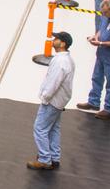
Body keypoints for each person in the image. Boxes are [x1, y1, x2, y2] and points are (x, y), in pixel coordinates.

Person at [27, 32, 75, 170]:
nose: (53, 40)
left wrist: (45, 97)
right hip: (60, 100)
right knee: (54, 129)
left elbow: (53, 82)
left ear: (63, 43)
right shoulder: (68, 59)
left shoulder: (60, 61)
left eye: (57, 39)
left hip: (53, 101)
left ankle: (44, 159)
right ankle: (54, 157)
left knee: (40, 128)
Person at [77, 0, 110, 120]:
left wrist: (100, 43)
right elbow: (101, 29)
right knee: (96, 78)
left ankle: (109, 109)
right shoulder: (106, 16)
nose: (104, 15)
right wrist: (95, 36)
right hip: (102, 54)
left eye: (105, 13)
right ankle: (94, 102)